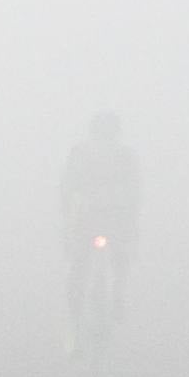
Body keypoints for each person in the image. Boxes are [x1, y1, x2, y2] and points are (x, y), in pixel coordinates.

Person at [60, 111, 142, 336]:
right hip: (115, 219)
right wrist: (133, 223)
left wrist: (67, 221)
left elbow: (67, 189)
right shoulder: (125, 155)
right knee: (118, 261)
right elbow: (134, 193)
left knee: (79, 266)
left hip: (88, 219)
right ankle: (117, 299)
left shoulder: (80, 153)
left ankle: (75, 318)